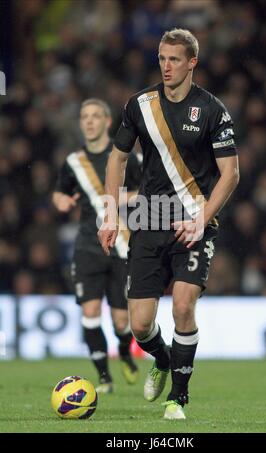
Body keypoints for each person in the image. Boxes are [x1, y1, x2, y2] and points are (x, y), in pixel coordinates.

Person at [98, 29, 239, 419]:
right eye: (162, 58)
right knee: (141, 326)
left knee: (181, 306)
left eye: (175, 59)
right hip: (148, 220)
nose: (166, 66)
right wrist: (110, 213)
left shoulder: (212, 110)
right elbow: (117, 159)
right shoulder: (139, 105)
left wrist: (203, 220)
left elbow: (230, 174)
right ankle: (162, 359)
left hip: (194, 220)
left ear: (192, 62)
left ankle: (177, 397)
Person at [53, 98, 141, 394]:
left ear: (106, 122)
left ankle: (126, 353)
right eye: (84, 116)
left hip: (120, 245)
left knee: (120, 320)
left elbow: (147, 190)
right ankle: (104, 377)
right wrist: (61, 201)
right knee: (90, 311)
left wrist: (126, 199)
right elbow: (59, 193)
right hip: (88, 246)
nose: (88, 121)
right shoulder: (73, 162)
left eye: (95, 116)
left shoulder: (128, 158)